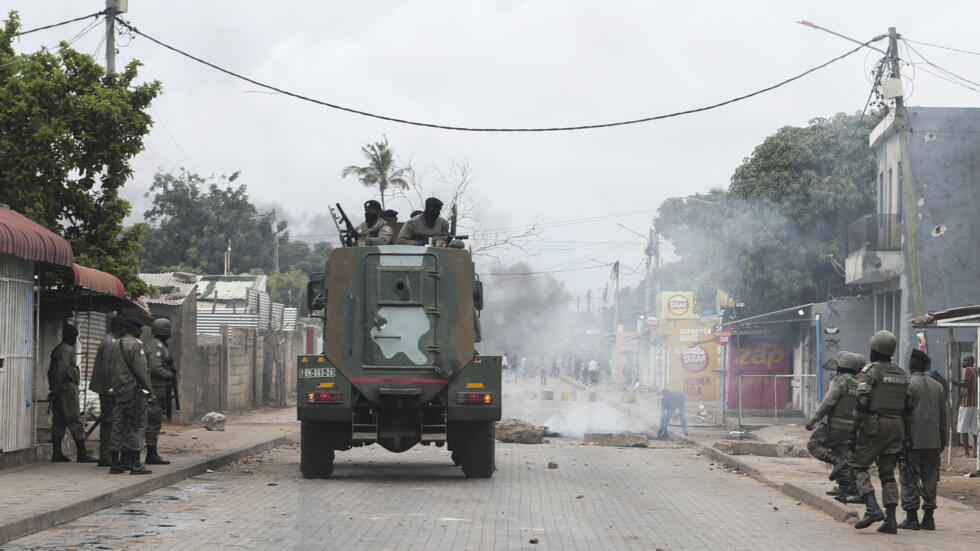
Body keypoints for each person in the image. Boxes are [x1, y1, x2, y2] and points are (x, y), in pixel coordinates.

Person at [848, 330, 911, 533]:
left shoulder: (870, 371)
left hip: (875, 425)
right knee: (887, 473)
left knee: (857, 465)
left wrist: (854, 429)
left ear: (874, 350)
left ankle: (872, 507)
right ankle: (890, 520)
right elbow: (909, 406)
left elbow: (863, 400)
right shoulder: (901, 373)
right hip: (897, 426)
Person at [898, 349, 948, 531]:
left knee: (909, 477)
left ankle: (911, 518)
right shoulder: (938, 386)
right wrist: (943, 441)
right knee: (930, 478)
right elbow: (944, 418)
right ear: (927, 366)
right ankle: (929, 517)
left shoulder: (909, 385)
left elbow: (903, 414)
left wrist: (901, 438)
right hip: (934, 441)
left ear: (911, 365)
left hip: (913, 441)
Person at [806, 351, 864, 502]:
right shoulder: (860, 383)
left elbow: (828, 402)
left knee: (814, 444)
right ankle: (846, 487)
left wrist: (813, 420)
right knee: (842, 452)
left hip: (836, 425)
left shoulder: (840, 381)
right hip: (852, 427)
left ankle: (838, 464)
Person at [109, 317, 156, 475]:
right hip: (134, 391)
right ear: (133, 330)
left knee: (118, 425)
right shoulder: (136, 345)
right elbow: (141, 370)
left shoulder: (115, 345)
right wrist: (149, 390)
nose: (141, 332)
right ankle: (136, 464)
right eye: (139, 329)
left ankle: (116, 463)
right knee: (137, 424)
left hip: (119, 390)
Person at [47, 323, 99, 463]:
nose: (75, 339)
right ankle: (82, 453)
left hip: (59, 389)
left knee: (59, 421)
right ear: (68, 336)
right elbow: (62, 370)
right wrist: (57, 389)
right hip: (67, 390)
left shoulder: (58, 349)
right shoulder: (66, 350)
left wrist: (54, 389)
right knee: (74, 420)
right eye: (74, 336)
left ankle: (57, 453)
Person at [89, 316, 126, 467]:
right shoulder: (110, 342)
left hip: (106, 388)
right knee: (109, 423)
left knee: (109, 422)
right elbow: (107, 369)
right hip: (107, 390)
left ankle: (106, 455)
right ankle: (105, 456)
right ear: (119, 327)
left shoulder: (110, 340)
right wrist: (111, 390)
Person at [144, 318, 177, 465]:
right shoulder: (157, 347)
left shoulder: (153, 344)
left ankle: (152, 452)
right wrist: (169, 375)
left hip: (155, 389)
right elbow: (156, 368)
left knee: (152, 421)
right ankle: (151, 454)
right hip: (155, 389)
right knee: (153, 422)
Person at [951, 355, 977, 457]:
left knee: (963, 428)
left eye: (964, 361)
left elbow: (965, 385)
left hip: (966, 404)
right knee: (974, 429)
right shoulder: (975, 371)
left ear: (969, 362)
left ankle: (966, 452)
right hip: (974, 404)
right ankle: (976, 451)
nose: (962, 362)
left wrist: (952, 382)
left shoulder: (967, 370)